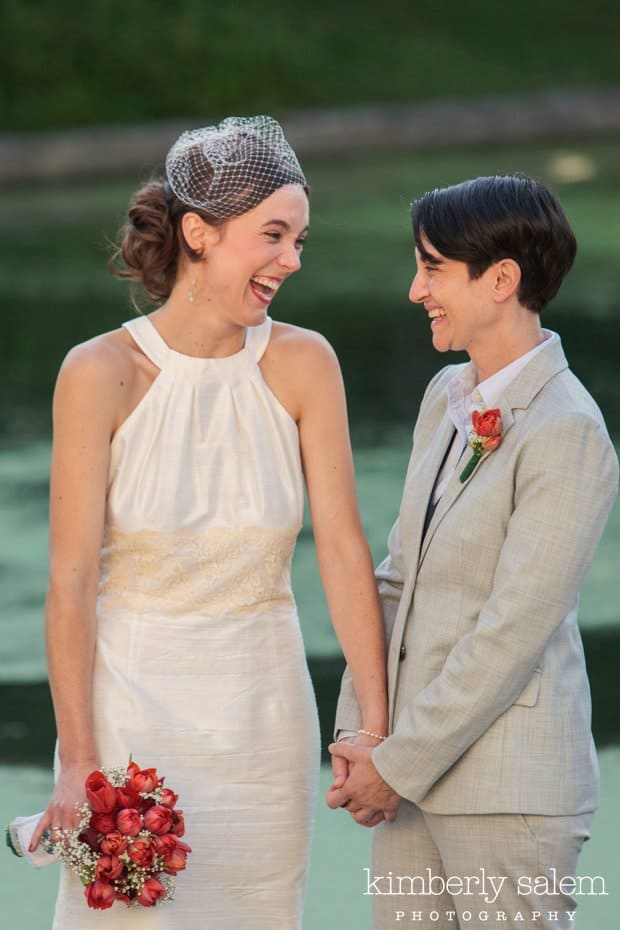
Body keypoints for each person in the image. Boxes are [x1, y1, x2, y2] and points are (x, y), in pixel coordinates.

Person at [30, 115, 388, 929]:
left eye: (300, 239)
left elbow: (340, 549)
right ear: (199, 232)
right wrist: (79, 761)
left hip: (263, 725)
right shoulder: (97, 372)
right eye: (273, 235)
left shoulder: (306, 363)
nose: (292, 260)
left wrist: (376, 728)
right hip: (126, 721)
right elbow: (71, 578)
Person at [328, 174, 618, 930]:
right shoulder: (445, 397)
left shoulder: (568, 429)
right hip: (408, 780)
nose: (414, 288)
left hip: (507, 792)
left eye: (432, 267)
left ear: (501, 280)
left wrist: (394, 765)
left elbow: (512, 631)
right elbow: (397, 580)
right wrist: (362, 731)